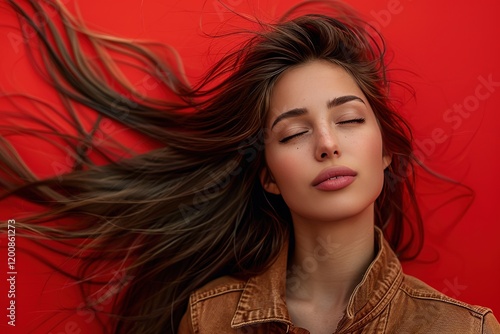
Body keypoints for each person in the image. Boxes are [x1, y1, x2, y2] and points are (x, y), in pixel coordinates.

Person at [0, 1, 499, 333]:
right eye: (294, 132)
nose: (326, 144)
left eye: (348, 119)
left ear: (386, 150)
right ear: (268, 176)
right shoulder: (208, 316)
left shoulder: (466, 329)